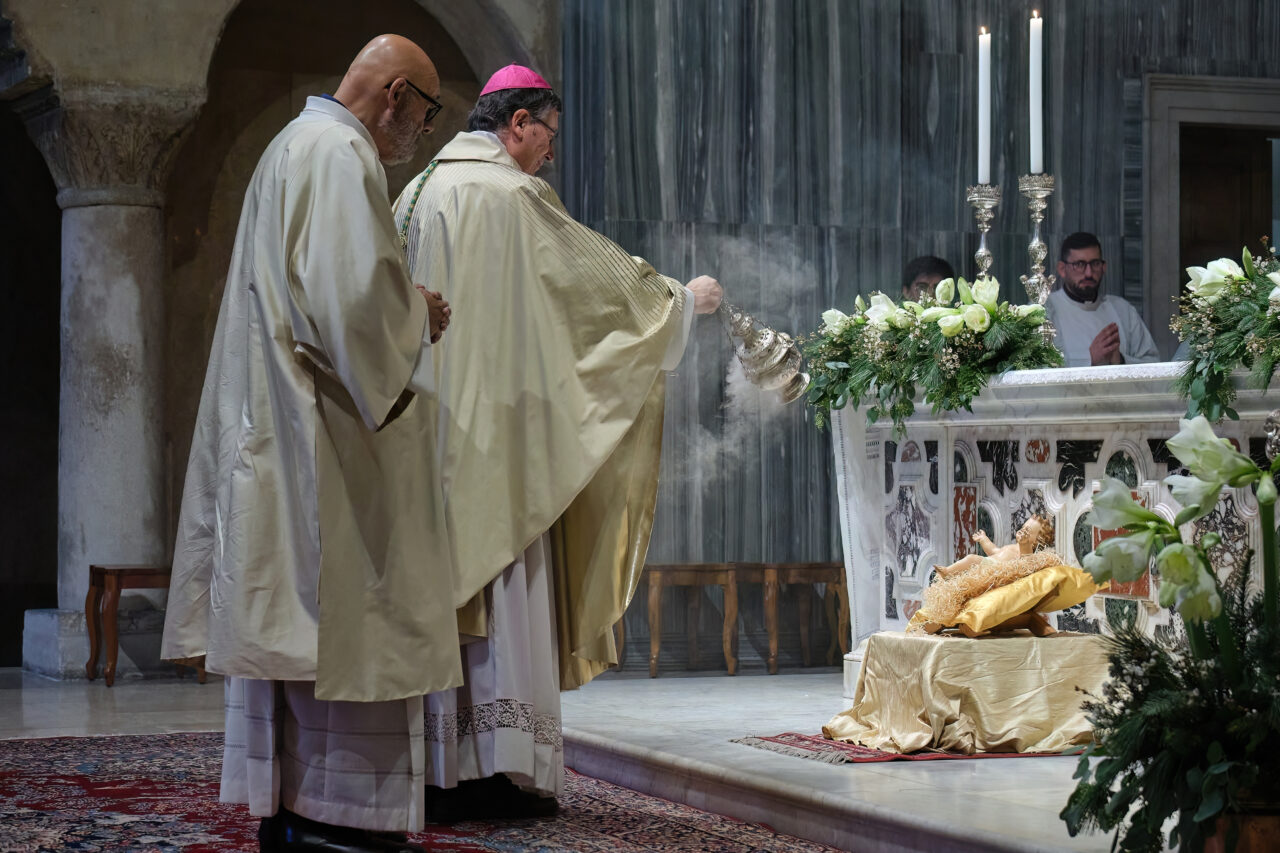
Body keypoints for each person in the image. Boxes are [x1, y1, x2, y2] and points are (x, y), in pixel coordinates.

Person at [392, 64, 723, 820]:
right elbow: (601, 291)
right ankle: (493, 768)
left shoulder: (413, 193)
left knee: (436, 589)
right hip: (499, 439)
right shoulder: (511, 196)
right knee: (503, 592)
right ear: (518, 124)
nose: (551, 152)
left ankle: (433, 764)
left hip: (422, 433)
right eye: (549, 134)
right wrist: (682, 300)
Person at [161, 35, 459, 853]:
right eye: (425, 114)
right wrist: (418, 314)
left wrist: (396, 299)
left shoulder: (293, 142)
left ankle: (293, 814)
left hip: (291, 425)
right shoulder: (337, 152)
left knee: (299, 634)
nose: (420, 135)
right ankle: (340, 822)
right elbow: (352, 307)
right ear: (397, 94)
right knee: (342, 627)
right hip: (323, 441)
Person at [1045, 232, 1161, 366]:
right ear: (1062, 269)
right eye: (1079, 264)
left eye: (1095, 263)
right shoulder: (1046, 310)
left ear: (1104, 267)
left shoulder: (1122, 310)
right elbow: (1036, 371)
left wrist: (1120, 361)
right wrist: (1091, 361)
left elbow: (1153, 363)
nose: (1088, 273)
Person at [933, 516, 1056, 579]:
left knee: (971, 559)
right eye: (1023, 527)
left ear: (1036, 541)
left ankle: (948, 572)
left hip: (994, 570)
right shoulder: (1012, 546)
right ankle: (950, 575)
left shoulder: (1026, 550)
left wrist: (1025, 544)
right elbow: (994, 551)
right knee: (969, 564)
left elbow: (1026, 562)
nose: (1022, 531)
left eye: (1027, 531)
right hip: (989, 564)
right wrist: (983, 539)